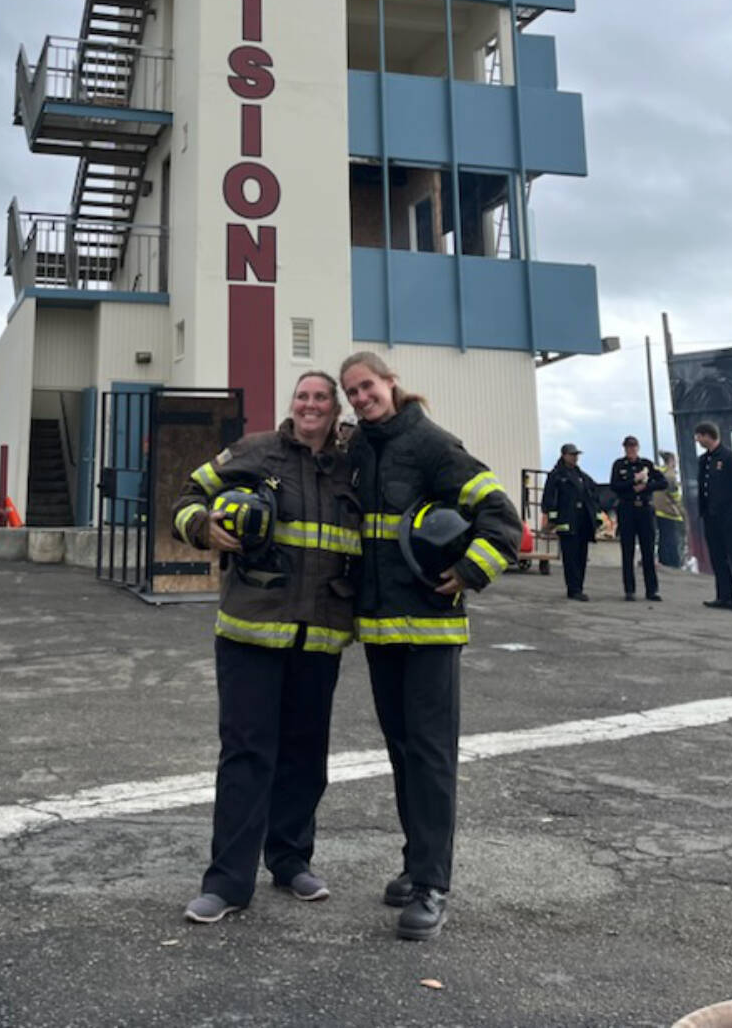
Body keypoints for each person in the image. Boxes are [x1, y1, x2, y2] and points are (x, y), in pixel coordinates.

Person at [339, 350, 521, 943]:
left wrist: (471, 571)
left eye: (367, 387)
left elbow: (502, 517)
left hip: (433, 631)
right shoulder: (361, 449)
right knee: (401, 752)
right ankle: (416, 864)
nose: (360, 398)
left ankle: (434, 887)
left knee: (432, 756)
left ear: (391, 383)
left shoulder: (435, 444)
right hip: (382, 632)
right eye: (352, 393)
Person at [171, 371, 361, 924]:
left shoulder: (353, 466)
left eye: (321, 397)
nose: (310, 405)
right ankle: (227, 883)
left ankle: (291, 860)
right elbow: (187, 495)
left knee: (305, 759)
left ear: (335, 408)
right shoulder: (255, 451)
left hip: (320, 636)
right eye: (303, 396)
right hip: (251, 634)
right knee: (247, 756)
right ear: (291, 404)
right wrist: (202, 526)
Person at [695, 422, 732, 611]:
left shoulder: (729, 458)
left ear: (707, 435)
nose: (698, 440)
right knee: (718, 558)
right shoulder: (704, 460)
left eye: (699, 436)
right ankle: (724, 596)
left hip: (728, 516)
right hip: (711, 517)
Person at [610, 437, 667, 601]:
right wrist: (632, 481)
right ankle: (629, 589)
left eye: (633, 447)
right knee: (627, 551)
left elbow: (662, 483)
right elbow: (615, 486)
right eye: (628, 447)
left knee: (648, 550)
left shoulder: (646, 464)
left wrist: (646, 486)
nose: (631, 450)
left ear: (638, 448)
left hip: (644, 508)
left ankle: (652, 590)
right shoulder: (619, 465)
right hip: (627, 509)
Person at [540, 443, 600, 600]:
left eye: (576, 455)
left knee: (581, 556)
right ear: (564, 455)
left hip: (582, 522)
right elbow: (549, 499)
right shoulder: (557, 476)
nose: (575, 458)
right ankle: (573, 589)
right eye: (572, 455)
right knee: (571, 558)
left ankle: (579, 587)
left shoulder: (581, 476)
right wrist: (553, 520)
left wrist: (596, 516)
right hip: (567, 522)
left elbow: (593, 493)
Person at [654, 451, 686, 570]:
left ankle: (663, 561)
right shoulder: (670, 476)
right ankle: (673, 564)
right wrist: (681, 510)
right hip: (669, 512)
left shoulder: (657, 473)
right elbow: (675, 495)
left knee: (663, 538)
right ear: (671, 461)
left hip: (657, 511)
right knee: (672, 540)